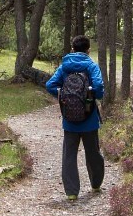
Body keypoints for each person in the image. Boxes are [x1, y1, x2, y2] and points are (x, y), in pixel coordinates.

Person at [44, 34, 105, 201]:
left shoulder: (65, 66)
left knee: (69, 155)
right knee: (93, 153)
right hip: (89, 118)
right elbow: (99, 87)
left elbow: (50, 85)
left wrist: (61, 94)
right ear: (88, 50)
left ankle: (71, 192)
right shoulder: (91, 66)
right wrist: (94, 96)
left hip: (69, 120)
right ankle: (95, 184)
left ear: (72, 49)